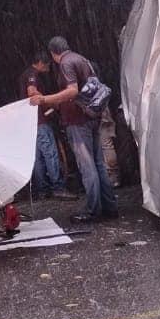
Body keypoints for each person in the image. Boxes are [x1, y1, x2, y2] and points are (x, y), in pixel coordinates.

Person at [29, 37, 118, 224]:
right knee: (99, 164)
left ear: (53, 53)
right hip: (92, 116)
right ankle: (110, 207)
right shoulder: (82, 59)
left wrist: (45, 99)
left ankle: (93, 210)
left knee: (87, 166)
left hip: (77, 121)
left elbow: (72, 91)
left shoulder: (66, 63)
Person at [20, 50, 72, 200]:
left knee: (37, 157)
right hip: (40, 121)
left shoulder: (23, 75)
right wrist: (49, 101)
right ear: (41, 63)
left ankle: (42, 189)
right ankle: (58, 187)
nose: (49, 68)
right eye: (48, 65)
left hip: (29, 123)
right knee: (50, 153)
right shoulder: (32, 75)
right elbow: (31, 91)